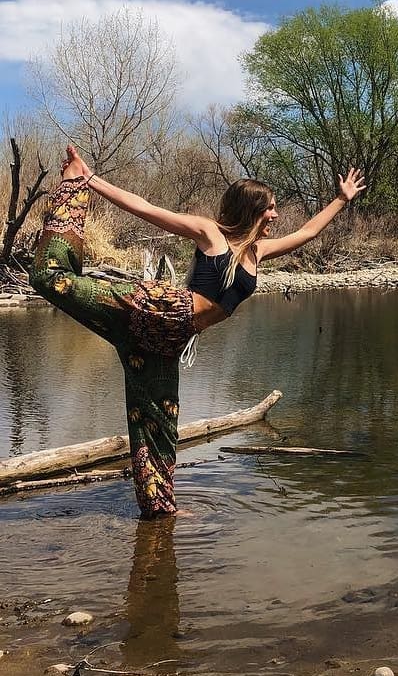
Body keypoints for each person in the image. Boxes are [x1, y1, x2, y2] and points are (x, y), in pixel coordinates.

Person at [29, 145, 365, 518]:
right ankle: (71, 186)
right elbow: (145, 208)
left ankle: (160, 511)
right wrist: (89, 180)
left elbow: (308, 232)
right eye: (269, 207)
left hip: (166, 341)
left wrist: (341, 199)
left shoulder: (258, 252)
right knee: (51, 279)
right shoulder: (211, 234)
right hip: (154, 309)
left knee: (159, 424)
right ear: (252, 209)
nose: (275, 214)